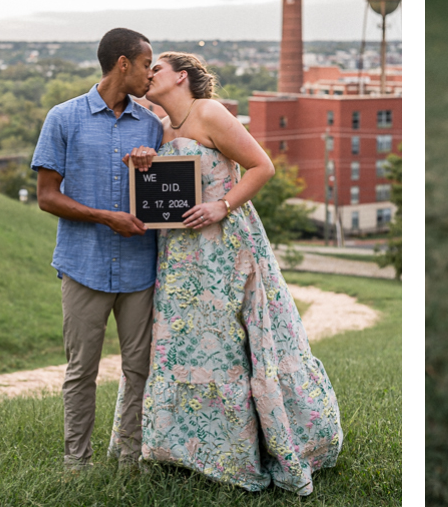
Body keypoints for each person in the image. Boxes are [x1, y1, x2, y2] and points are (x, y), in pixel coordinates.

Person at [107, 51, 343, 494]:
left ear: (181, 77)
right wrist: (141, 159)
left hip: (226, 244)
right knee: (186, 344)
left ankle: (247, 452)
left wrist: (222, 204)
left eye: (155, 68)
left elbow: (262, 166)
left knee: (233, 342)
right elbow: (158, 191)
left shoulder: (209, 112)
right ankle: (189, 450)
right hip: (178, 253)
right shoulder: (160, 126)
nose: (148, 73)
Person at [31, 27, 164, 468]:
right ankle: (77, 464)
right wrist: (107, 217)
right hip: (82, 266)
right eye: (146, 64)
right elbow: (47, 196)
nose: (151, 74)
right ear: (122, 64)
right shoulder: (63, 118)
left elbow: (162, 195)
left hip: (138, 270)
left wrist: (151, 164)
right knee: (81, 372)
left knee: (138, 371)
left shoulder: (151, 127)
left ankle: (130, 461)